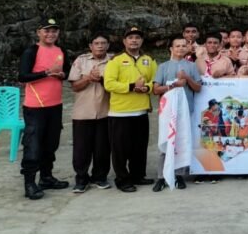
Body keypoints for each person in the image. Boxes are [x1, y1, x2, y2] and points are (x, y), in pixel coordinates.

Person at [18, 17, 71, 199]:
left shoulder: (61, 50)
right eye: (47, 31)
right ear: (39, 32)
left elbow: (67, 72)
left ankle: (46, 177)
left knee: (51, 144)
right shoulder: (31, 51)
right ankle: (30, 183)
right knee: (33, 145)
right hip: (35, 106)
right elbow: (23, 76)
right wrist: (46, 72)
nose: (51, 34)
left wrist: (62, 74)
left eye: (54, 30)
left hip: (55, 105)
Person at [103, 27, 157, 192]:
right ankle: (122, 179)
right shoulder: (115, 61)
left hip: (141, 111)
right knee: (120, 149)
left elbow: (155, 81)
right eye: (131, 38)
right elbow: (109, 84)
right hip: (120, 112)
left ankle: (138, 175)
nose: (134, 40)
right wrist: (132, 86)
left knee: (139, 147)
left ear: (142, 41)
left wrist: (146, 88)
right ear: (124, 41)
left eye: (137, 38)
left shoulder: (149, 60)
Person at [151, 36, 202, 192]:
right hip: (167, 111)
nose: (180, 48)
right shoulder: (163, 67)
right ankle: (161, 176)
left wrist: (186, 77)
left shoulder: (192, 66)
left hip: (186, 111)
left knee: (182, 141)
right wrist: (174, 85)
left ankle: (179, 175)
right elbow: (155, 89)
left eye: (183, 46)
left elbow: (198, 88)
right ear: (171, 49)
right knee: (166, 142)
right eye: (177, 46)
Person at [68, 32, 112, 193]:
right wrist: (87, 78)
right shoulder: (81, 61)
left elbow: (115, 85)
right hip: (83, 112)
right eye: (96, 43)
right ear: (90, 46)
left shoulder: (113, 61)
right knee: (81, 149)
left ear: (108, 45)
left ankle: (100, 177)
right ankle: (81, 179)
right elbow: (74, 86)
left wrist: (100, 79)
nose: (100, 46)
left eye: (103, 43)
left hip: (105, 111)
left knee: (103, 148)